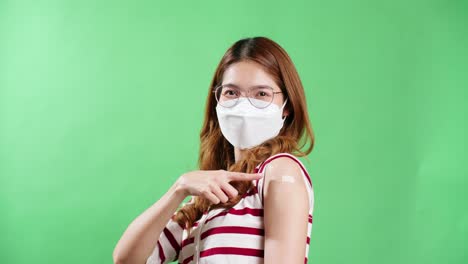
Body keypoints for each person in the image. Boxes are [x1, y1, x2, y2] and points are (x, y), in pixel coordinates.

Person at [113, 36, 315, 264]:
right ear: (217, 100)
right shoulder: (205, 199)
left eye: (261, 94)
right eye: (231, 92)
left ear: (287, 106)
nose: (244, 105)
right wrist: (179, 189)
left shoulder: (279, 171)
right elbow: (126, 259)